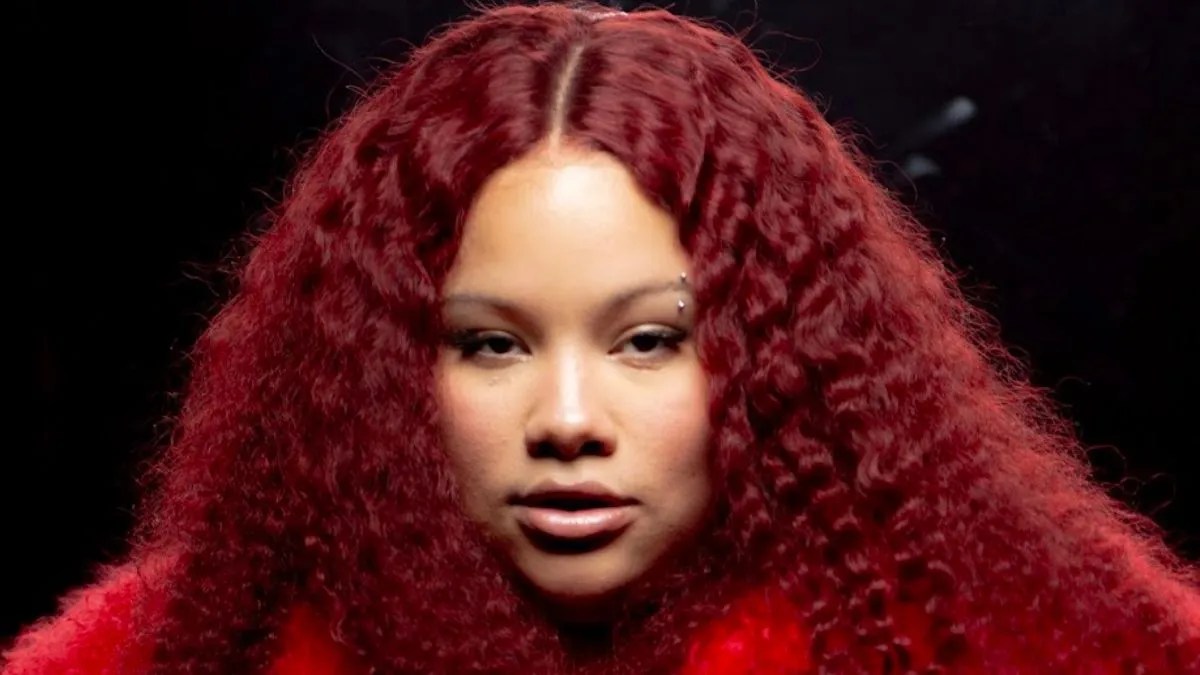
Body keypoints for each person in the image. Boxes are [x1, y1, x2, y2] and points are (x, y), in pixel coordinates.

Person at [5, 2, 1198, 673]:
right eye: (490, 345)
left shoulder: (1051, 646)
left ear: (784, 356)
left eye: (649, 341)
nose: (568, 422)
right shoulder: (164, 656)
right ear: (377, 369)